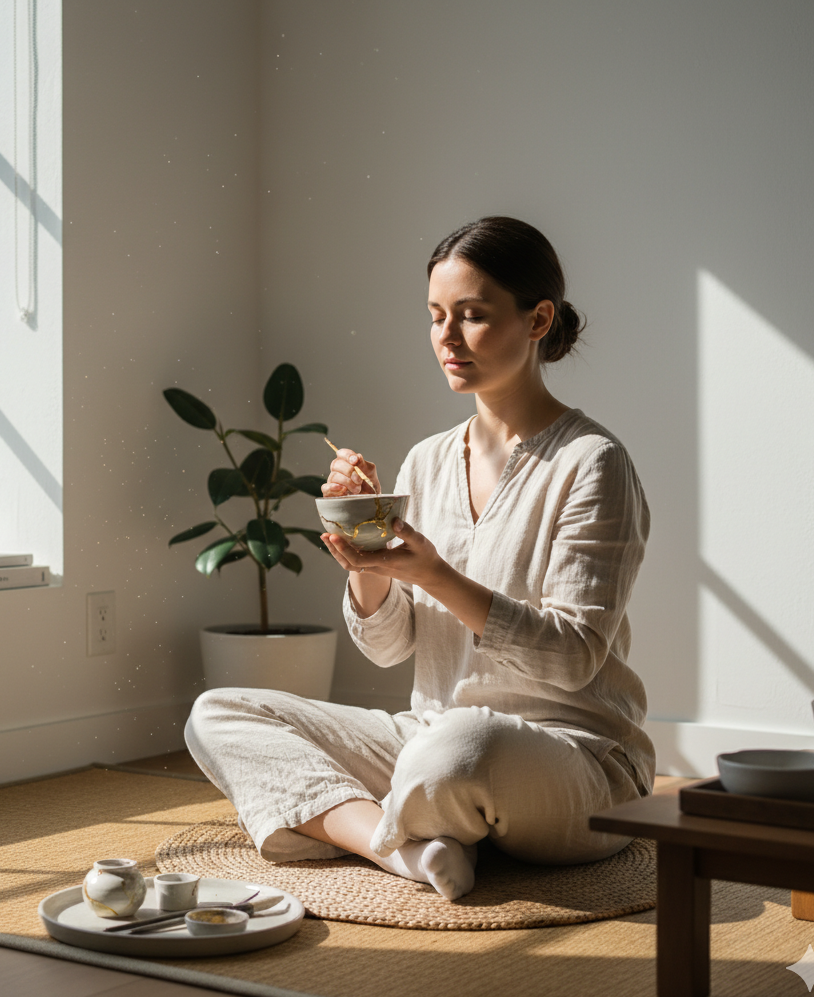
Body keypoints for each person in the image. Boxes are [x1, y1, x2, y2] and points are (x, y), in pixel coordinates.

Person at [185, 216, 655, 902]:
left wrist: (434, 572)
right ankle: (403, 850)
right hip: (426, 737)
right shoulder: (428, 461)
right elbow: (389, 647)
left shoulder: (593, 463)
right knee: (218, 713)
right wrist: (370, 565)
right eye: (436, 316)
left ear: (538, 319)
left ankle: (393, 817)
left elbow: (574, 657)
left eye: (472, 316)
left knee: (466, 746)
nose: (447, 338)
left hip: (571, 756)